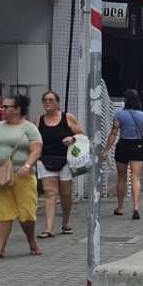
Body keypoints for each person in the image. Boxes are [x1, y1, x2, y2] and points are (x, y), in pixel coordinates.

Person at [0, 94, 43, 259]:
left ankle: (31, 241)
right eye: (3, 106)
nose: (3, 110)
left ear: (18, 109)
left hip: (22, 175)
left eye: (7, 107)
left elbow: (36, 150)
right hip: (0, 174)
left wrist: (28, 165)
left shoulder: (29, 128)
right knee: (3, 213)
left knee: (26, 214)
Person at [35, 91, 84, 237]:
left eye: (51, 100)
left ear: (57, 102)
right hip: (45, 159)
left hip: (65, 160)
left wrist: (72, 138)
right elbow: (34, 140)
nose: (47, 103)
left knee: (66, 193)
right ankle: (49, 228)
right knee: (50, 193)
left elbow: (82, 134)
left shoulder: (67, 118)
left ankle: (66, 220)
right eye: (45, 100)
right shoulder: (38, 120)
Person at [103, 89, 143, 219]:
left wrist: (106, 149)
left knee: (121, 178)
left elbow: (113, 133)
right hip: (137, 146)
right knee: (135, 178)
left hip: (123, 145)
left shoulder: (119, 115)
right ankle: (136, 207)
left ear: (126, 100)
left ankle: (120, 207)